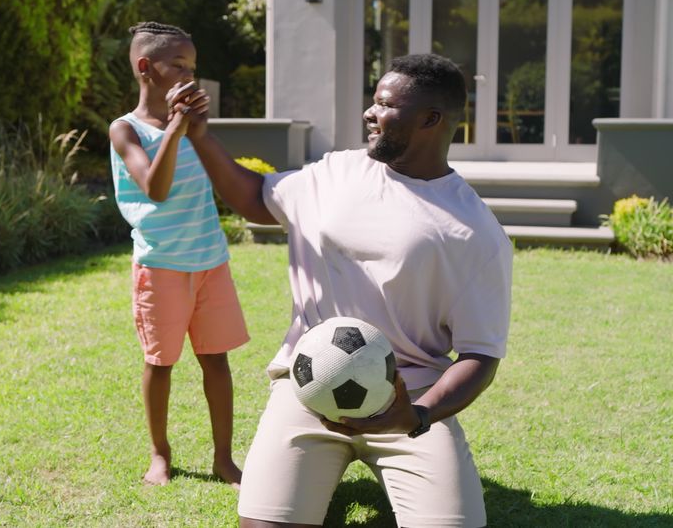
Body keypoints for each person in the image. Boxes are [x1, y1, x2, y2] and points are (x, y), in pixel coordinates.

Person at [176, 53, 512, 527]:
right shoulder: (337, 173)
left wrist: (414, 415)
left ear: (430, 119)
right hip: (306, 389)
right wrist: (201, 137)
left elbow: (481, 357)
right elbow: (256, 198)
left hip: (407, 400)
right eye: (372, 101)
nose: (369, 113)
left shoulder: (474, 233)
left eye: (384, 104)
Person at [109, 21, 249, 488]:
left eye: (193, 67)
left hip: (210, 261)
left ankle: (224, 459)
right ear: (146, 68)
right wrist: (176, 126)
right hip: (162, 266)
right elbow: (156, 187)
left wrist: (198, 131)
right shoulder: (125, 130)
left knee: (217, 360)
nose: (189, 75)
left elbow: (222, 178)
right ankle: (160, 455)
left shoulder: (190, 129)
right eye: (179, 65)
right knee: (160, 363)